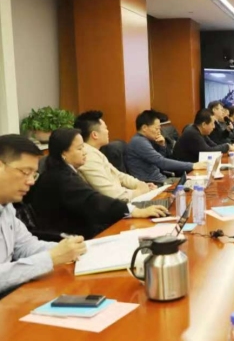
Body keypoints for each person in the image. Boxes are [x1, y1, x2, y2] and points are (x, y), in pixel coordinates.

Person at [26, 129, 169, 240]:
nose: (85, 153)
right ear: (64, 153)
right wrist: (134, 211)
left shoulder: (63, 171)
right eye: (79, 149)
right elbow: (92, 200)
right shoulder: (61, 177)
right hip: (73, 239)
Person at [0, 135, 87, 296]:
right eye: (25, 172)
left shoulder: (6, 206)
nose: (31, 182)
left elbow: (26, 247)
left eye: (34, 174)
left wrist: (69, 249)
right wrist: (50, 258)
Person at [74, 110, 157, 201]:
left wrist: (140, 184)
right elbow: (111, 194)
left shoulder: (95, 152)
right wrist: (139, 192)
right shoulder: (87, 157)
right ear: (95, 135)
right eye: (105, 128)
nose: (108, 131)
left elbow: (119, 175)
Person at [126, 110, 205, 184]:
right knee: (195, 183)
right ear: (144, 128)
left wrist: (162, 146)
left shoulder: (147, 140)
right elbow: (162, 162)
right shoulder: (139, 142)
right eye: (156, 128)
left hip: (161, 180)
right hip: (154, 184)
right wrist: (192, 165)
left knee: (198, 181)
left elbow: (159, 162)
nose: (159, 132)